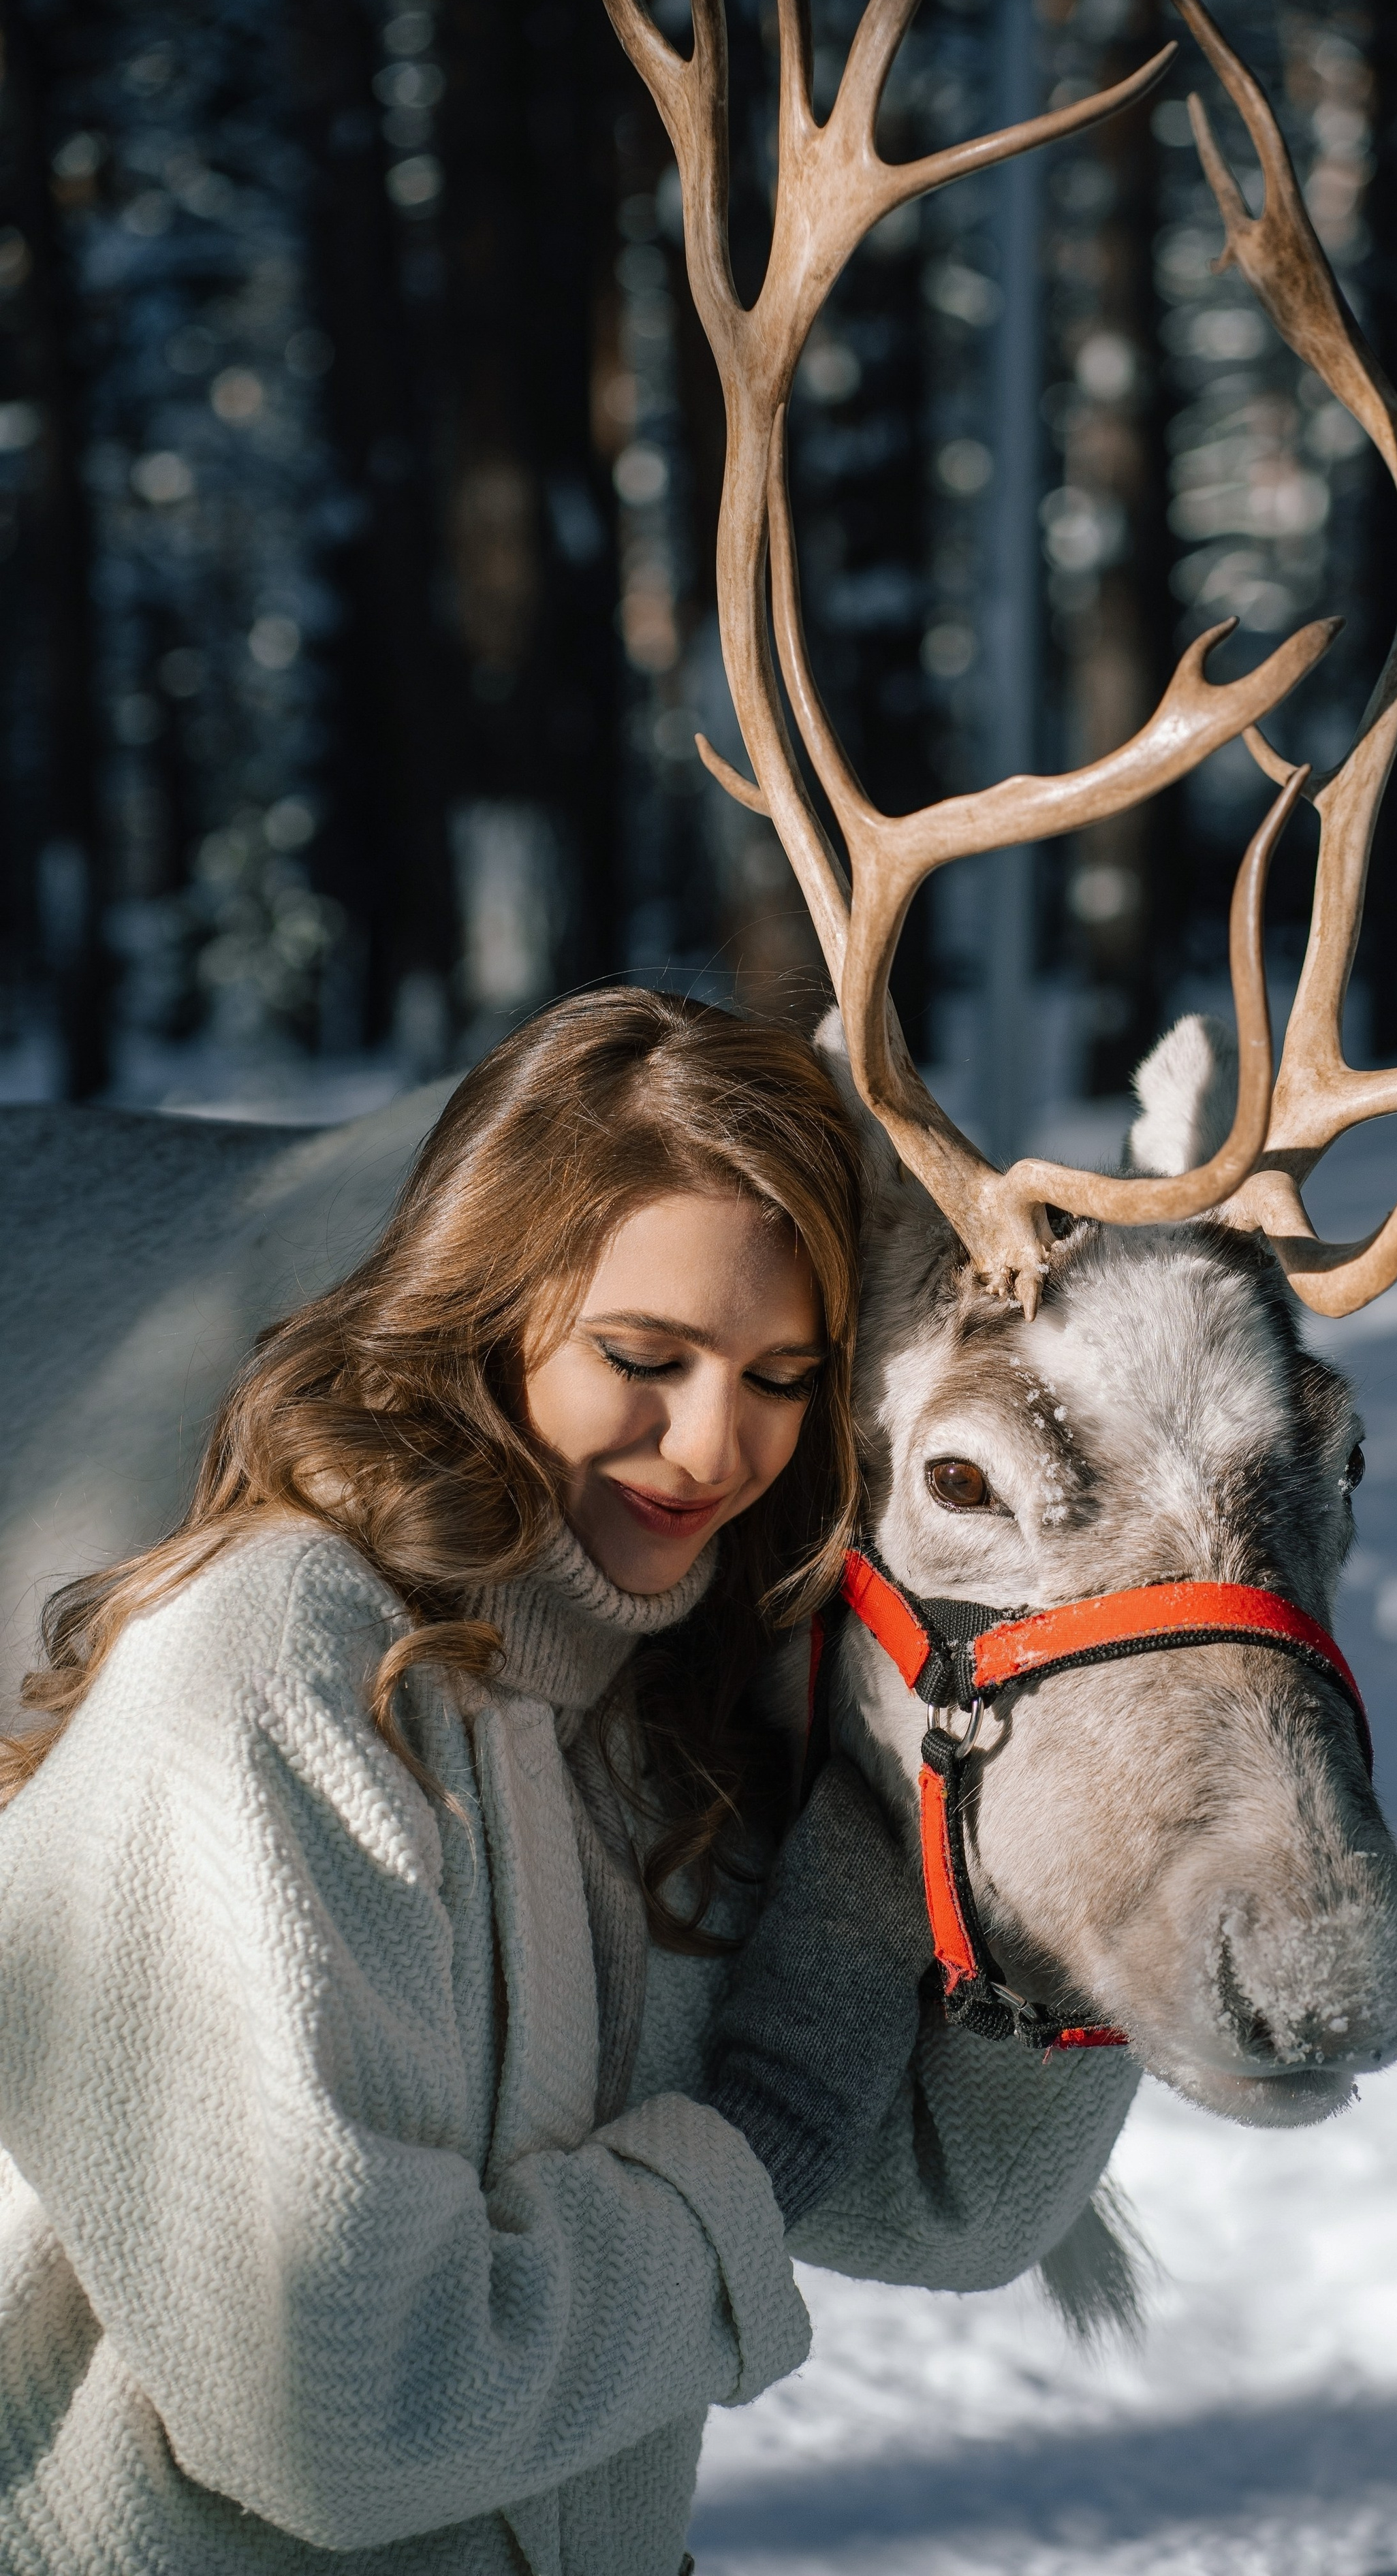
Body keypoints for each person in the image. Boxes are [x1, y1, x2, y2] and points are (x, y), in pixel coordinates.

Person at [0, 988, 1137, 2576]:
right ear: (486, 1303)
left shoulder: (660, 1683)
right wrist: (763, 2130)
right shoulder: (273, 1670)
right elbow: (339, 2414)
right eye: (642, 1356)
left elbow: (942, 2202)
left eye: (781, 1377)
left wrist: (1075, 1882)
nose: (708, 1447)